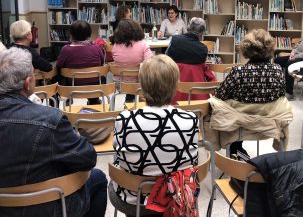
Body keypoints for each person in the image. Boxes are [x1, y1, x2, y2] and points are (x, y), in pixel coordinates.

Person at [0, 47, 107, 217]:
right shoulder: (50, 120)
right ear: (28, 83)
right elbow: (87, 159)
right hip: (47, 208)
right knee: (98, 178)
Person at [109, 55, 199, 217]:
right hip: (174, 198)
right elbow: (191, 161)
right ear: (175, 86)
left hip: (132, 201)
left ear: (142, 87)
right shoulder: (190, 119)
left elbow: (120, 154)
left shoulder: (125, 119)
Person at [214, 29, 290, 156]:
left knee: (218, 105)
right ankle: (239, 151)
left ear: (246, 49)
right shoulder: (277, 71)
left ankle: (236, 151)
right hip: (269, 122)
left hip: (241, 124)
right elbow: (281, 95)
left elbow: (220, 95)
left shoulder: (238, 72)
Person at [166, 17, 216, 103]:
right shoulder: (203, 49)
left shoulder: (175, 40)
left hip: (174, 91)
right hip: (196, 96)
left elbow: (166, 58)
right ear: (202, 33)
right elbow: (201, 68)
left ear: (188, 27)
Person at [56, 20, 105, 105]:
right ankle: (94, 100)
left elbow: (59, 65)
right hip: (95, 85)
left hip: (72, 85)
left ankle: (68, 100)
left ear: (71, 35)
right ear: (89, 35)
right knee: (97, 77)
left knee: (61, 73)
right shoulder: (96, 48)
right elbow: (102, 63)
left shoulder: (66, 49)